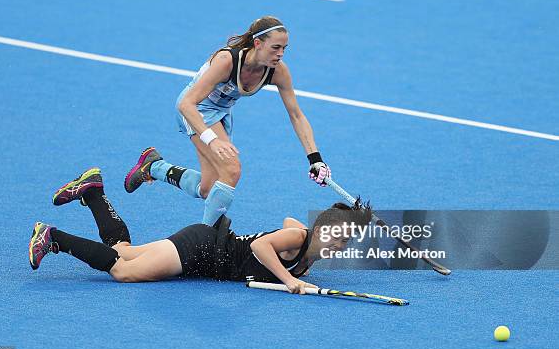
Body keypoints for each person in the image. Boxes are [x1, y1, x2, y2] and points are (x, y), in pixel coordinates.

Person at [123, 16, 331, 226]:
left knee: (208, 189)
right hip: (197, 110)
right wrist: (212, 139)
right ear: (257, 43)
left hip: (221, 114)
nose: (281, 54)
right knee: (232, 169)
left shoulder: (278, 71)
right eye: (275, 47)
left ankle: (154, 166)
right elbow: (186, 104)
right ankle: (203, 241)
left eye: (285, 48)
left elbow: (296, 115)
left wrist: (315, 158)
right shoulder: (227, 61)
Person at [32, 168, 371, 294]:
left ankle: (93, 193)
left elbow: (288, 219)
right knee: (123, 272)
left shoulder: (304, 241)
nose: (340, 247)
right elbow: (261, 249)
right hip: (203, 248)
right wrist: (290, 280)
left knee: (122, 251)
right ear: (322, 229)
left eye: (346, 242)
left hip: (205, 251)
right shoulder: (299, 240)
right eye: (338, 237)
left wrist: (352, 219)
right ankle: (54, 238)